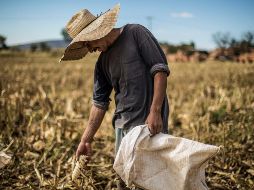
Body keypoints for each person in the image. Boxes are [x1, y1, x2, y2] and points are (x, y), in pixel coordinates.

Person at [60, 4, 170, 189]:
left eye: (88, 43)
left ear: (96, 32)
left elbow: (160, 70)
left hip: (149, 124)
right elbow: (99, 103)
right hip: (121, 126)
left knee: (152, 179)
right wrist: (86, 139)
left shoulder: (135, 33)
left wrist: (156, 111)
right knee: (123, 178)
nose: (90, 49)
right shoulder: (102, 62)